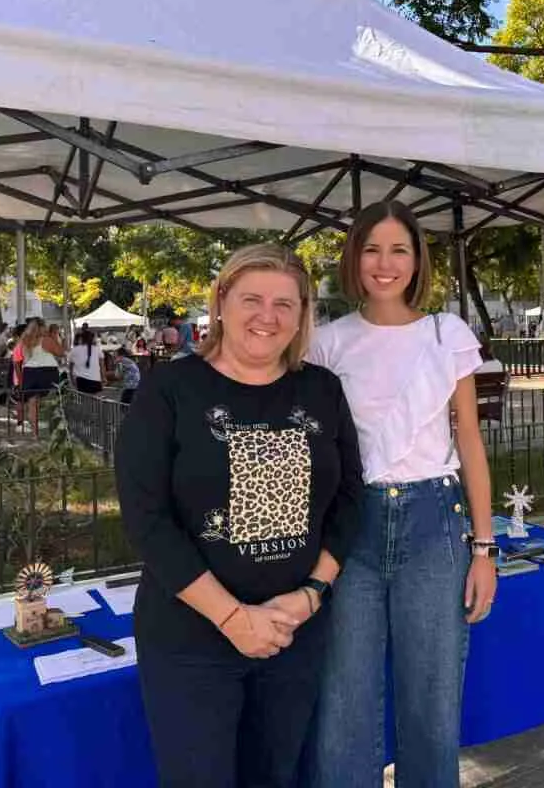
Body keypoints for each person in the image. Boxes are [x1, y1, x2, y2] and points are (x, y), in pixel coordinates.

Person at [115, 243, 363, 788]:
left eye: (285, 304)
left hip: (292, 635)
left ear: (302, 315)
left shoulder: (322, 390)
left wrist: (311, 595)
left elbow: (350, 500)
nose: (267, 317)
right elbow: (147, 519)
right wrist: (233, 619)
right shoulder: (169, 391)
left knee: (276, 776)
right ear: (221, 301)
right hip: (190, 641)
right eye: (252, 299)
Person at [306, 200, 497, 788]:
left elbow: (469, 442)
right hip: (351, 527)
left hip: (434, 523)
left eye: (399, 250)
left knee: (432, 702)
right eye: (371, 249)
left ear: (417, 261)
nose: (384, 264)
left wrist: (485, 551)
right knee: (345, 705)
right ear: (353, 258)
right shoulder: (328, 343)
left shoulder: (448, 334)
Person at [16, 320, 60, 433]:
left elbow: (18, 359)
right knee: (51, 400)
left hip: (30, 371)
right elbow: (60, 352)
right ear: (41, 328)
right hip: (48, 369)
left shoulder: (24, 340)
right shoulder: (46, 340)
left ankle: (35, 433)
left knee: (32, 404)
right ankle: (53, 430)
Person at [69, 329, 104, 395]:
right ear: (92, 339)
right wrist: (103, 379)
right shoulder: (97, 349)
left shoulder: (74, 350)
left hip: (81, 382)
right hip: (95, 382)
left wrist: (72, 380)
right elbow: (102, 367)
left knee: (83, 402)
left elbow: (70, 368)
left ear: (81, 338)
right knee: (94, 403)